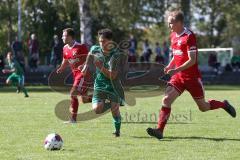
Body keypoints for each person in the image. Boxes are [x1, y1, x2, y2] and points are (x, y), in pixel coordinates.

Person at [146, 10, 236, 140]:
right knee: (166, 100)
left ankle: (224, 105)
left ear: (179, 22)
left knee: (203, 107)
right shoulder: (173, 36)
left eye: (171, 23)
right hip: (178, 78)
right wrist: (171, 66)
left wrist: (175, 70)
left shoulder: (189, 36)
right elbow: (176, 55)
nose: (169, 25)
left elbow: (192, 60)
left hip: (192, 78)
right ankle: (159, 130)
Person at [82, 28, 125, 137]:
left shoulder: (115, 55)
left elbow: (113, 75)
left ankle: (117, 131)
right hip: (100, 84)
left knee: (115, 111)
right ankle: (110, 102)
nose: (101, 44)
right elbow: (90, 52)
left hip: (113, 85)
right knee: (97, 109)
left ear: (110, 41)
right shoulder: (95, 49)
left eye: (104, 41)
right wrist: (86, 65)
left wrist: (100, 67)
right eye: (100, 41)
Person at [57, 28, 92, 123]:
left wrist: (85, 66)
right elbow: (65, 60)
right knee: (84, 99)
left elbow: (89, 57)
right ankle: (104, 99)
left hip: (83, 75)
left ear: (70, 37)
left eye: (64, 35)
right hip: (75, 76)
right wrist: (61, 68)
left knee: (73, 93)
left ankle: (73, 119)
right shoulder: (65, 48)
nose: (62, 37)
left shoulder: (81, 46)